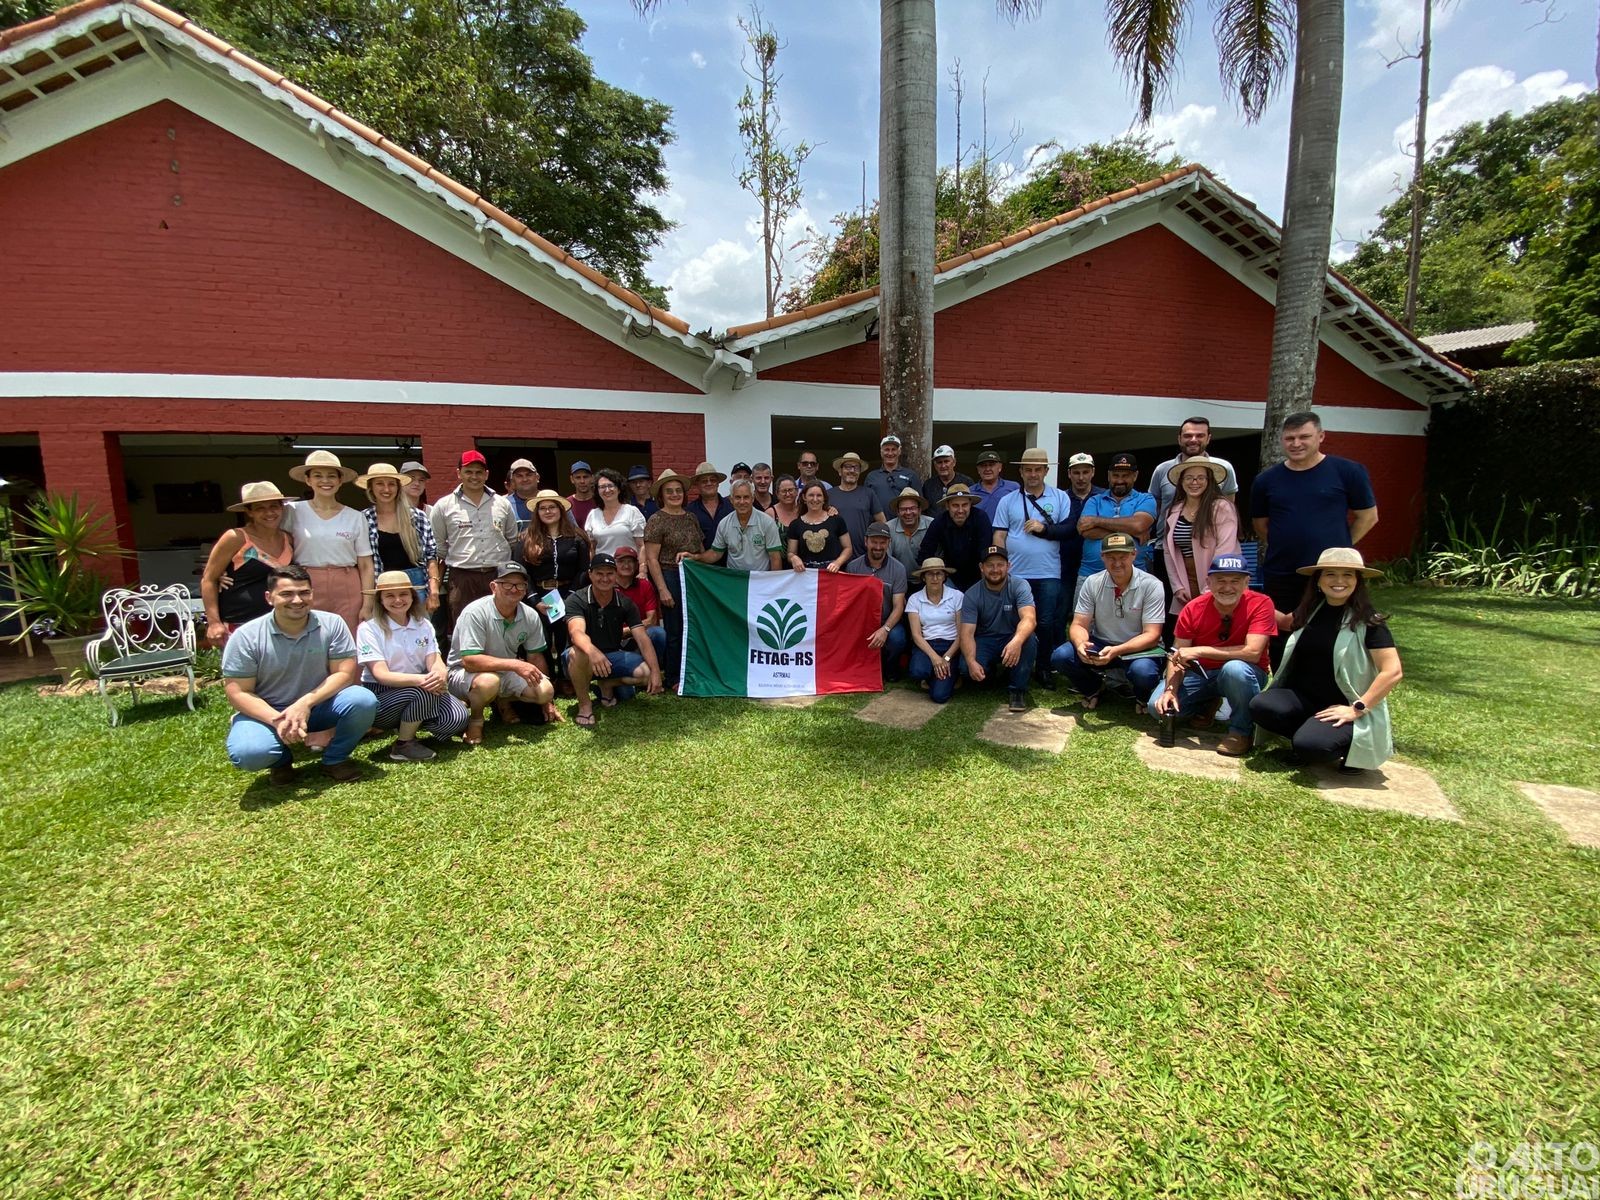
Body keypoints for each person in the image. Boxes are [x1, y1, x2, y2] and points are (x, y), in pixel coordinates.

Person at [222, 564, 377, 784]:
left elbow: (344, 673)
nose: (297, 600)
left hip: (318, 706)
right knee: (250, 754)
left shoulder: (332, 624)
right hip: (268, 711)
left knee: (363, 700)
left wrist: (304, 704)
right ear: (269, 597)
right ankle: (280, 762)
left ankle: (335, 759)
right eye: (286, 594)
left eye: (304, 592)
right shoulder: (246, 636)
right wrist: (278, 720)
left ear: (312, 594)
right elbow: (238, 692)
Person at [1249, 547, 1401, 772]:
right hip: (1306, 700)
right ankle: (1310, 734)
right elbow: (1282, 622)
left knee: (1311, 746)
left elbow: (1393, 671)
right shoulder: (1310, 610)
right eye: (1330, 573)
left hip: (1346, 706)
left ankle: (1348, 748)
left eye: (1347, 575)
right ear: (1318, 580)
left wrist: (1357, 708)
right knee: (1262, 706)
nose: (1339, 580)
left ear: (1357, 581)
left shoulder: (1370, 622)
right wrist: (1245, 597)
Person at [1250, 412, 1379, 666]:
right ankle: (1283, 689)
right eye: (1290, 438)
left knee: (1330, 631)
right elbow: (1261, 525)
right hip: (1282, 571)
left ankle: (1326, 690)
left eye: (1304, 437)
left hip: (1331, 573)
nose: (1296, 443)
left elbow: (1368, 517)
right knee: (1281, 634)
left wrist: (1340, 551)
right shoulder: (1266, 480)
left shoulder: (1348, 471)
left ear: (1320, 437)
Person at [1148, 555, 1275, 757]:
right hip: (1201, 673)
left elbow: (1252, 652)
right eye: (1221, 580)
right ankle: (1207, 704)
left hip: (1244, 671)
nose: (1227, 587)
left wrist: (1200, 650)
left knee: (1234, 669)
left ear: (1246, 583)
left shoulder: (1261, 603)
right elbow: (1177, 654)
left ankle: (1241, 732)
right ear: (1208, 582)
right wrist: (1170, 690)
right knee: (1157, 707)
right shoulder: (1193, 608)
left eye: (1235, 581)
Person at [355, 570, 470, 760]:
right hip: (382, 694)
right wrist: (423, 680)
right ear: (380, 600)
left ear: (412, 596)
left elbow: (435, 660)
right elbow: (381, 674)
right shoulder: (369, 629)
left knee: (457, 719)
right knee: (423, 691)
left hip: (421, 686)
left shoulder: (423, 624)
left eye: (403, 594)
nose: (398, 600)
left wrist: (440, 674)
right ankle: (403, 745)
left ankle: (412, 722)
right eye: (390, 595)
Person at [446, 562, 559, 744]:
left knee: (545, 691)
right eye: (507, 584)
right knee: (489, 682)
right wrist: (515, 664)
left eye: (520, 585)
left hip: (504, 671)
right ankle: (476, 719)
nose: (514, 589)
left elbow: (535, 657)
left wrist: (546, 702)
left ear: (525, 589)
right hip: (463, 673)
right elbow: (469, 661)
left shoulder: (530, 615)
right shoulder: (475, 612)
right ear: (493, 587)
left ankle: (501, 701)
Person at [1054, 532, 1165, 711]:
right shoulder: (1092, 582)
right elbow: (1079, 624)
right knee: (1061, 656)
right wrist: (1081, 644)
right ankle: (1093, 688)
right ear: (1102, 557)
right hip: (1102, 643)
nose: (1117, 563)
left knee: (1143, 673)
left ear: (1134, 555)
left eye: (1123, 557)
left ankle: (1142, 697)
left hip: (1139, 649)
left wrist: (1116, 651)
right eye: (1111, 557)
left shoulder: (1152, 585)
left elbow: (1152, 635)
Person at [993, 448, 1072, 688]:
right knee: (1013, 622)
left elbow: (1069, 530)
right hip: (1016, 574)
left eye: (1038, 469)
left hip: (1048, 572)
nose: (1033, 474)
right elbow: (999, 534)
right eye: (1028, 469)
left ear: (1046, 471)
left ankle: (1044, 668)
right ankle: (1013, 665)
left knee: (1046, 622)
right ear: (1021, 472)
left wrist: (1043, 528)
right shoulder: (1008, 500)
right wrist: (1001, 566)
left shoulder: (1060, 498)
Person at [564, 552, 665, 727]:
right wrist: (592, 651)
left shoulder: (625, 603)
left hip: (612, 656)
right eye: (599, 573)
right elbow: (576, 633)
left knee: (646, 675)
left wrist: (656, 672)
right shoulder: (576, 599)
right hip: (582, 657)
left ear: (616, 575)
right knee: (578, 651)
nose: (605, 578)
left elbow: (642, 638)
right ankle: (585, 706)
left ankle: (607, 683)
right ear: (590, 575)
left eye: (609, 573)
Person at [280, 450, 374, 636]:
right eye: (318, 476)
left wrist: (368, 603)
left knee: (349, 637)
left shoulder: (355, 517)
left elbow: (365, 564)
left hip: (347, 582)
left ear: (340, 481)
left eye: (331, 476)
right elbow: (275, 545)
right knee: (308, 635)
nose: (325, 481)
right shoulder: (292, 511)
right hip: (306, 581)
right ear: (308, 480)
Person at [202, 481, 296, 647]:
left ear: (282, 508)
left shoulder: (287, 539)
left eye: (274, 506)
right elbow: (208, 579)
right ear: (249, 512)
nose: (269, 512)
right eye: (260, 508)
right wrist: (214, 622)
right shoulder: (236, 538)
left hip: (281, 624)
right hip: (241, 624)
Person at [1149, 417, 1240, 587]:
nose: (1193, 440)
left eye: (1199, 435)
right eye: (1188, 435)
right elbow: (1157, 506)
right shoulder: (1162, 470)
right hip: (1168, 552)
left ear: (1208, 438)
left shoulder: (1224, 468)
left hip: (1210, 557)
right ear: (1179, 438)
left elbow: (1229, 507)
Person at [430, 450, 518, 624]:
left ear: (486, 475)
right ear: (458, 473)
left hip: (498, 576)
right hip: (462, 578)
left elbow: (512, 541)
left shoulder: (502, 504)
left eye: (479, 472)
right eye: (468, 472)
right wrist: (435, 584)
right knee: (465, 627)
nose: (474, 476)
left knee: (502, 625)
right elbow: (439, 549)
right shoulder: (443, 506)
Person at [515, 489, 590, 678]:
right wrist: (534, 600)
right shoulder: (526, 538)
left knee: (567, 637)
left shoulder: (577, 537)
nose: (548, 512)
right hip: (538, 594)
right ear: (537, 513)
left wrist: (571, 595)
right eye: (543, 508)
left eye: (552, 507)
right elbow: (521, 572)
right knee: (542, 640)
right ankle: (547, 678)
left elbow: (583, 569)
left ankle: (567, 677)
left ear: (560, 510)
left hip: (568, 593)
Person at [643, 468, 705, 688]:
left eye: (678, 490)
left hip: (694, 577)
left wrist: (697, 558)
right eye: (669, 491)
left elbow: (701, 550)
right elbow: (651, 559)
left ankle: (693, 670)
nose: (675, 494)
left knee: (695, 626)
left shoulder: (691, 518)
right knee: (675, 629)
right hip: (669, 575)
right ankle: (673, 676)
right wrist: (662, 589)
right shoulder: (656, 519)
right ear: (662, 494)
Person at [958, 545, 1037, 712]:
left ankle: (1017, 690)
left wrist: (1016, 641)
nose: (995, 570)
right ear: (981, 568)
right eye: (990, 565)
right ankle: (993, 673)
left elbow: (1029, 619)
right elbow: (967, 633)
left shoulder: (1020, 585)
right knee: (966, 668)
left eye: (1000, 564)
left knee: (1029, 640)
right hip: (986, 639)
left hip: (1012, 636)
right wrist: (971, 662)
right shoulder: (972, 594)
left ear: (1009, 566)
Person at [1159, 456, 1240, 620]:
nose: (1194, 482)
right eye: (1189, 477)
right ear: (1181, 481)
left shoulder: (1221, 507)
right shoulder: (1174, 510)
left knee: (1217, 621)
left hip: (1217, 576)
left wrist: (1210, 587)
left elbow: (1225, 549)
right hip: (1186, 578)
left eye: (1200, 477)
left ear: (1209, 480)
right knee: (1190, 625)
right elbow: (1168, 550)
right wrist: (1177, 586)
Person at [360, 462, 440, 614]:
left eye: (391, 484)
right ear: (371, 488)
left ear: (398, 487)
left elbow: (431, 556)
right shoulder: (364, 519)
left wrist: (434, 590)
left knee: (419, 635)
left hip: (417, 585)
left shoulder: (417, 517)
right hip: (382, 585)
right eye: (380, 484)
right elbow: (365, 564)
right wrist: (367, 602)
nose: (386, 489)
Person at [1039, 452, 1105, 609]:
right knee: (1060, 612)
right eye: (1076, 472)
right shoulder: (1060, 498)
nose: (1081, 477)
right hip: (1064, 565)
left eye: (1085, 472)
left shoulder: (1104, 497)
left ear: (1093, 472)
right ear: (1069, 474)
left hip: (1096, 565)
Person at [846, 522, 910, 680]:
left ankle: (890, 668)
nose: (878, 547)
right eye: (874, 542)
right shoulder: (853, 567)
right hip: (861, 621)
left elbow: (899, 606)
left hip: (888, 621)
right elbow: (850, 603)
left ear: (889, 543)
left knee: (897, 638)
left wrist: (885, 629)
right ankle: (861, 666)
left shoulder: (898, 569)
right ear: (866, 541)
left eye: (883, 542)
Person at [1078, 452, 1157, 578]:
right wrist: (1130, 532)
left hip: (1135, 576)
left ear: (1135, 476)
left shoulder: (1146, 499)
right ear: (1109, 476)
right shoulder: (1094, 500)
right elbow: (1084, 529)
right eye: (1115, 475)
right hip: (1091, 574)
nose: (1120, 480)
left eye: (1125, 476)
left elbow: (1138, 525)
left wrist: (1096, 521)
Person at [905, 557, 964, 704]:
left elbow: (961, 633)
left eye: (939, 574)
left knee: (939, 696)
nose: (935, 578)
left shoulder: (957, 596)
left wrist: (947, 658)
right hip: (927, 645)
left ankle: (951, 674)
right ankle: (938, 673)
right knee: (917, 672)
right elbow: (916, 635)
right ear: (923, 577)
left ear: (945, 576)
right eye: (930, 574)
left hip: (951, 646)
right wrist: (935, 658)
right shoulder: (914, 599)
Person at [918, 483, 993, 592]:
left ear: (970, 504)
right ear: (947, 506)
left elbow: (986, 554)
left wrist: (985, 589)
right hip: (949, 577)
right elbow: (925, 552)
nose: (960, 510)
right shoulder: (939, 522)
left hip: (978, 576)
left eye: (965, 505)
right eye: (955, 505)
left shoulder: (981, 518)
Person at [700, 479, 784, 571]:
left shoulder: (767, 522)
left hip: (760, 581)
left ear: (753, 498)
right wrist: (694, 557)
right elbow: (715, 554)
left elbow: (775, 558)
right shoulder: (724, 523)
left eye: (746, 497)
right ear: (731, 500)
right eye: (738, 497)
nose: (742, 502)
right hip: (735, 580)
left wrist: (773, 584)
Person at [614, 545, 667, 662]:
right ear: (614, 564)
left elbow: (651, 621)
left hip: (640, 636)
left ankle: (650, 669)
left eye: (630, 562)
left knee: (658, 633)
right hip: (613, 640)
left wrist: (625, 631)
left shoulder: (644, 585)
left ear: (636, 564)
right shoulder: (607, 586)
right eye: (621, 561)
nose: (626, 566)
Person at [787, 480, 852, 572]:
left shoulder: (836, 520)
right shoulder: (795, 525)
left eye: (819, 495)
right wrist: (793, 558)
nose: (815, 499)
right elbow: (791, 553)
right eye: (811, 495)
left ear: (824, 498)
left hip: (831, 573)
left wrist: (837, 562)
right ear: (804, 497)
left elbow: (848, 548)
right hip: (806, 574)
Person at [584, 467, 647, 558]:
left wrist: (642, 570)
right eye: (602, 487)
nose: (607, 490)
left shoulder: (632, 512)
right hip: (603, 569)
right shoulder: (593, 515)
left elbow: (641, 546)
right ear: (597, 491)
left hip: (627, 568)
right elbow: (592, 549)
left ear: (619, 489)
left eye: (610, 485)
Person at [827, 451, 881, 552]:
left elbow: (881, 522)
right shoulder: (829, 495)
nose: (852, 470)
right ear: (840, 471)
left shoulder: (869, 493)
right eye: (847, 467)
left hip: (863, 554)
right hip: (835, 557)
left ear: (859, 472)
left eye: (856, 467)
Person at [865, 434, 921, 517]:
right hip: (879, 525)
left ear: (899, 451)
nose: (890, 453)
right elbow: (866, 504)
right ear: (881, 452)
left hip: (904, 524)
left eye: (893, 449)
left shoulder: (911, 475)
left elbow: (919, 504)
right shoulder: (871, 477)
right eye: (887, 450)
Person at [887, 487, 932, 575]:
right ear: (898, 512)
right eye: (903, 509)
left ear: (919, 510)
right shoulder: (888, 528)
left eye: (912, 508)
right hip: (898, 579)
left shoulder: (932, 525)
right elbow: (887, 561)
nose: (908, 512)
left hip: (928, 579)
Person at [687, 460, 732, 547]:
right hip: (701, 559)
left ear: (718, 483)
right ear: (697, 484)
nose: (709, 483)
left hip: (730, 559)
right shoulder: (690, 511)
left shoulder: (731, 506)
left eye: (713, 480)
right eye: (704, 481)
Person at [970, 450, 1019, 521]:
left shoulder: (1014, 487)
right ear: (978, 469)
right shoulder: (970, 492)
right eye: (983, 466)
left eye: (991, 465)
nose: (987, 469)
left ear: (1000, 467)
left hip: (1007, 531)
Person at [504, 458, 543, 536]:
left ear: (537, 477)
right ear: (512, 481)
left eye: (529, 474)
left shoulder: (553, 500)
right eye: (519, 476)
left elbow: (570, 530)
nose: (525, 479)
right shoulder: (504, 504)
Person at [565, 460, 599, 529]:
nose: (582, 481)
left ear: (592, 478)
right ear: (572, 479)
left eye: (585, 477)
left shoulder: (601, 500)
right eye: (578, 477)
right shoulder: (566, 504)